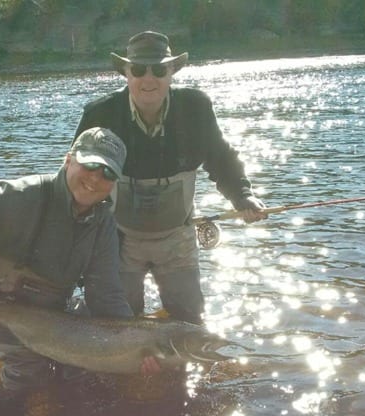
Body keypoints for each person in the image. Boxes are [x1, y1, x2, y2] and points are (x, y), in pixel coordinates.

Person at [0, 127, 160, 387]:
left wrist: (131, 346)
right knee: (29, 372)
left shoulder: (102, 224)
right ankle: (5, 415)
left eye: (108, 172)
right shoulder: (18, 197)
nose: (96, 177)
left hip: (46, 306)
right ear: (68, 159)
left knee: (81, 367)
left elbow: (106, 294)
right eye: (90, 164)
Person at [74, 31, 266, 325]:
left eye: (159, 69)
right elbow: (76, 180)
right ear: (125, 72)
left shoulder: (196, 108)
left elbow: (221, 159)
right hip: (118, 237)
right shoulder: (100, 114)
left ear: (172, 72)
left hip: (178, 235)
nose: (148, 79)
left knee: (189, 322)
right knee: (118, 321)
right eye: (138, 69)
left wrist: (242, 195)